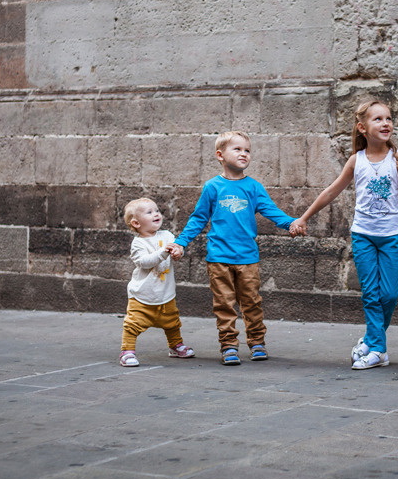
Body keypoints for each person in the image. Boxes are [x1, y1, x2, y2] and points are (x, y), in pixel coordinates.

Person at [289, 99, 398, 370]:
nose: (386, 123)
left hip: (391, 236)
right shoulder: (357, 160)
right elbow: (331, 191)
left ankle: (370, 339)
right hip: (363, 235)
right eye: (378, 119)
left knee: (389, 295)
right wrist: (303, 217)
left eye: (388, 118)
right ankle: (378, 351)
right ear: (362, 127)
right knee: (370, 293)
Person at [174, 131, 297, 366]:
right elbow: (198, 218)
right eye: (237, 149)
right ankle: (229, 345)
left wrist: (291, 223)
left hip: (248, 257)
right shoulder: (212, 187)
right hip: (218, 258)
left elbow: (272, 211)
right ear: (220, 155)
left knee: (252, 302)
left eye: (247, 150)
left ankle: (257, 342)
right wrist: (181, 242)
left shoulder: (254, 187)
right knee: (224, 305)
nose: (244, 154)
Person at [119, 197, 194, 367]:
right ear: (136, 223)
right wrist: (163, 252)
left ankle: (175, 345)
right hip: (142, 295)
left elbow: (176, 249)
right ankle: (127, 351)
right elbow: (144, 262)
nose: (156, 214)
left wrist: (178, 252)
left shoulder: (167, 235)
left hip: (165, 293)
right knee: (133, 324)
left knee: (172, 322)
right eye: (149, 212)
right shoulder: (138, 243)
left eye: (157, 211)